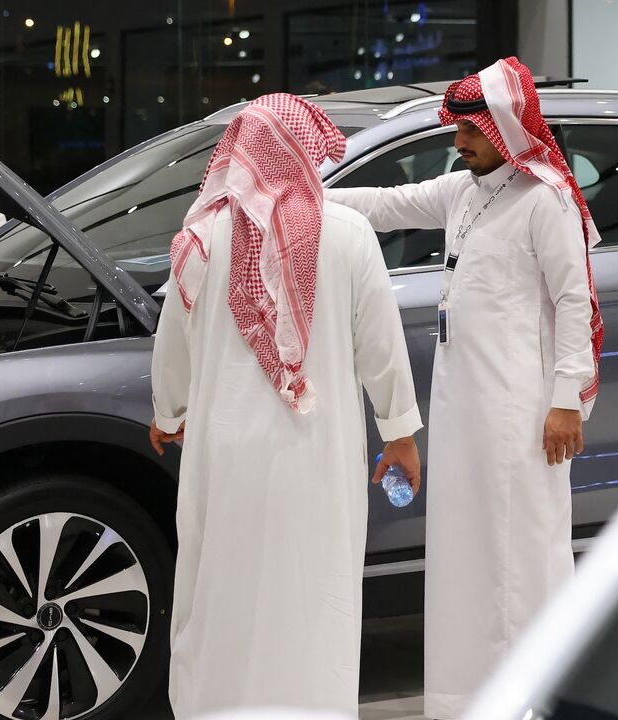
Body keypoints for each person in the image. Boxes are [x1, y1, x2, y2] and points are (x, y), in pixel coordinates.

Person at [325, 57, 604, 719]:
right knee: (466, 549)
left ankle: (533, 691)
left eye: (469, 131)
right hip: (461, 404)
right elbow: (388, 207)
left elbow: (574, 301)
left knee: (523, 548)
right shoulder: (464, 191)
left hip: (523, 407)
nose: (458, 141)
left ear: (504, 128)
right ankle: (465, 696)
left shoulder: (546, 199)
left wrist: (567, 398)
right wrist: (304, 197)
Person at [148, 93, 423, 717]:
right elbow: (382, 349)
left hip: (224, 451)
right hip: (316, 453)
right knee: (314, 587)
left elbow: (173, 348)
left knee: (223, 589)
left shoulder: (200, 240)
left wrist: (168, 416)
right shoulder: (348, 231)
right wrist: (400, 434)